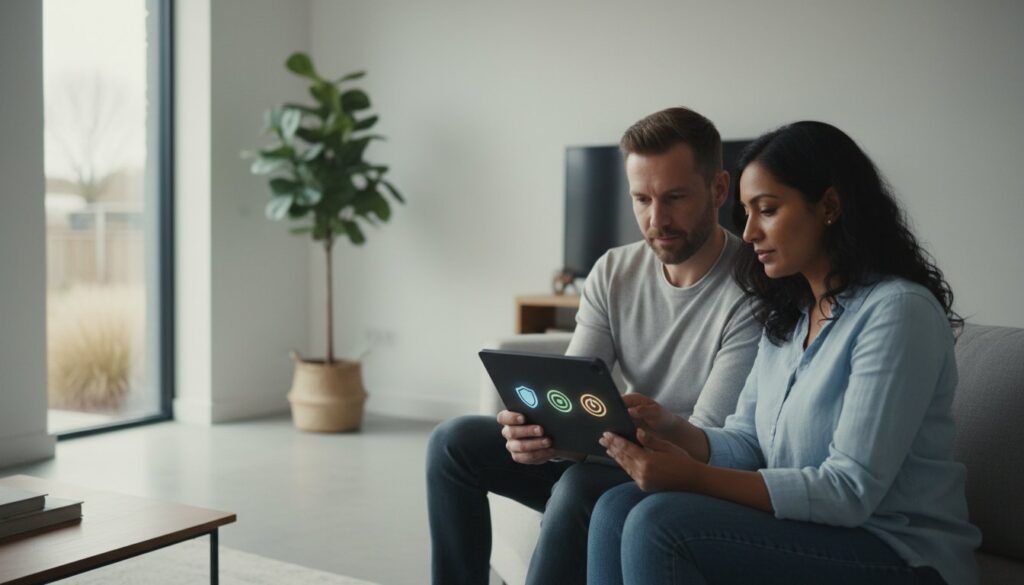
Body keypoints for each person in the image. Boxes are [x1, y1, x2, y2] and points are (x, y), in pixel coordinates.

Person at [588, 121, 982, 585]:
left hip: (898, 552)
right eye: (746, 213)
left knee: (659, 524)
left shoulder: (897, 311)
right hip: (810, 531)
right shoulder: (791, 315)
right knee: (615, 506)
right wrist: (668, 426)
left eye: (768, 210)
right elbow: (745, 444)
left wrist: (690, 477)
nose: (749, 232)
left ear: (829, 206)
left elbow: (848, 491)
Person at [426, 107, 763, 585]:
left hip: (678, 474)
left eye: (675, 198)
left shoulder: (753, 287)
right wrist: (543, 436)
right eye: (641, 199)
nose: (656, 219)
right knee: (452, 443)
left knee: (581, 486)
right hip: (608, 452)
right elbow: (571, 389)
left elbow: (706, 442)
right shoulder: (613, 271)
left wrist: (588, 442)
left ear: (719, 189)